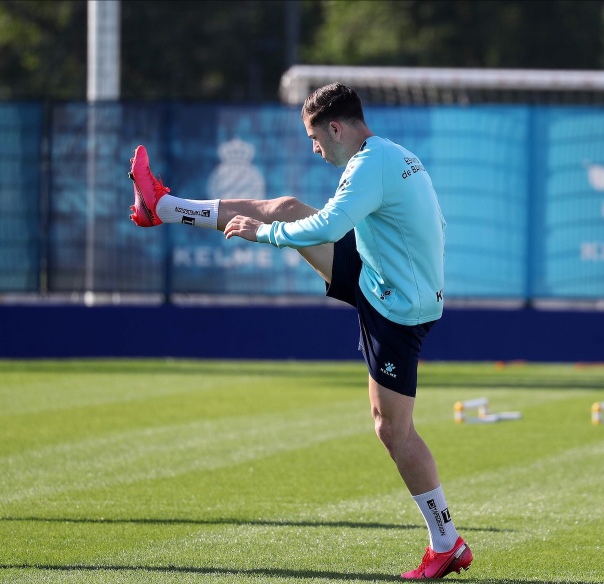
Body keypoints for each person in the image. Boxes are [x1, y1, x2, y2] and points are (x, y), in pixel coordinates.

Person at [128, 83, 472, 579]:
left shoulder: (369, 166)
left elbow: (328, 228)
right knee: (289, 206)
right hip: (383, 276)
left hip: (396, 306)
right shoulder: (392, 154)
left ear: (335, 128)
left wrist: (263, 234)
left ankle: (447, 542)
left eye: (314, 138)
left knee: (392, 429)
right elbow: (431, 222)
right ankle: (164, 207)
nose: (314, 149)